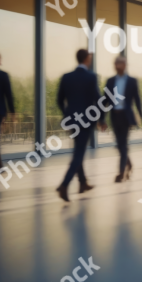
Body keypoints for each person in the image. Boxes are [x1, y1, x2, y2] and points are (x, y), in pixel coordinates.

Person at [56, 49, 102, 202]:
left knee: (78, 150)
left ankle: (83, 183)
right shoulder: (91, 77)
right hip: (86, 121)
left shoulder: (66, 77)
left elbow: (59, 100)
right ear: (87, 59)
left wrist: (67, 115)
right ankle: (64, 184)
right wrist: (101, 119)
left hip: (72, 121)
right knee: (79, 154)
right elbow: (97, 99)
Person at [104, 56, 142, 182]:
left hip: (126, 116)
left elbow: (137, 99)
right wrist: (101, 119)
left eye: (119, 64)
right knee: (120, 145)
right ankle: (129, 164)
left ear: (125, 65)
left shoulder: (132, 81)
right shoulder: (110, 81)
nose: (117, 66)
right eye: (115, 64)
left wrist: (140, 115)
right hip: (115, 115)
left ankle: (121, 172)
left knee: (123, 144)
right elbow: (104, 101)